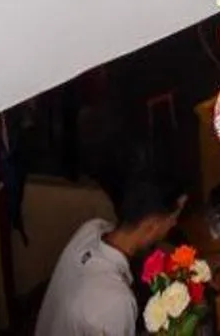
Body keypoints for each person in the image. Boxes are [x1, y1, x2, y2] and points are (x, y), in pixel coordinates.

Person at [36, 135, 190, 336]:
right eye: (172, 219)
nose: (175, 223)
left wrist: (191, 264)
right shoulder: (117, 301)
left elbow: (149, 246)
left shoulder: (92, 229)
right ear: (152, 225)